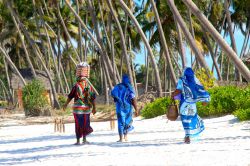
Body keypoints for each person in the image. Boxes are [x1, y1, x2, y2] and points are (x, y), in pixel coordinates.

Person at [171, 67, 210, 144]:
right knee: (192, 118)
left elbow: (178, 90)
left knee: (185, 120)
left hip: (184, 104)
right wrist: (204, 99)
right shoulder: (195, 80)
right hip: (192, 105)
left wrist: (173, 95)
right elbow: (200, 89)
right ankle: (189, 135)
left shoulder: (182, 80)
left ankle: (187, 136)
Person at [63, 76, 96, 145]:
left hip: (83, 109)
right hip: (80, 109)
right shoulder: (79, 86)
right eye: (83, 80)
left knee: (82, 124)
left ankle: (82, 139)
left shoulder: (86, 87)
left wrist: (94, 108)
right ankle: (80, 140)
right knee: (83, 123)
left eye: (84, 80)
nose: (84, 81)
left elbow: (92, 98)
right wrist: (65, 104)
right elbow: (70, 96)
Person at [111, 74, 138, 142]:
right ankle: (125, 137)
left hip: (119, 108)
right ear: (128, 80)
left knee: (120, 122)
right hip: (128, 108)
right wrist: (136, 109)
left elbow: (113, 94)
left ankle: (120, 138)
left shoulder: (118, 87)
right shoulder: (129, 88)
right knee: (127, 122)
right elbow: (133, 99)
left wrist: (118, 98)